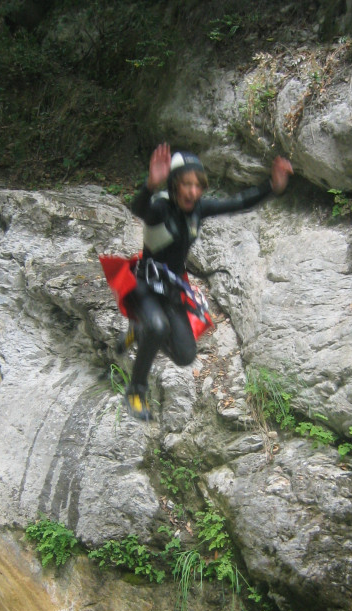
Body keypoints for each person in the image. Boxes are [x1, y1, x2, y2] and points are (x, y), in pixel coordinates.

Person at [122, 143, 293, 421]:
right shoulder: (161, 208)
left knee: (186, 355)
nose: (192, 191)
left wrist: (271, 186)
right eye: (186, 184)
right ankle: (136, 391)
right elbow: (140, 208)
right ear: (175, 184)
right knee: (157, 325)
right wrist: (149, 186)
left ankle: (139, 332)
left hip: (172, 290)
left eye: (198, 185)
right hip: (145, 286)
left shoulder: (198, 209)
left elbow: (237, 202)